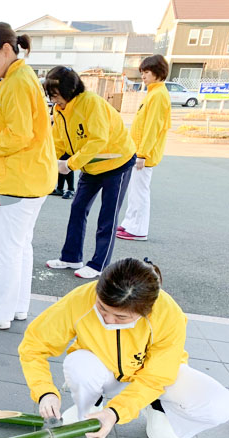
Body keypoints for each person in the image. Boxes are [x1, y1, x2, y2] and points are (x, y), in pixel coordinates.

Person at [19, 258, 229, 438]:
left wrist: (116, 412)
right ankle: (90, 404)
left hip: (156, 382)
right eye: (102, 308)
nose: (108, 320)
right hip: (106, 371)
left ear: (146, 311)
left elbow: (156, 377)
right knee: (78, 363)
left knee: (220, 405)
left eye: (121, 317)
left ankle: (159, 408)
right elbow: (34, 345)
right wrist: (44, 391)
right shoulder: (81, 298)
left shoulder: (168, 313)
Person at [0, 22, 57, 330]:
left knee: (7, 251)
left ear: (6, 50)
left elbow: (17, 134)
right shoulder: (21, 77)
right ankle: (17, 306)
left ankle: (0, 312)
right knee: (20, 247)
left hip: (18, 180)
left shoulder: (16, 83)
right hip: (32, 178)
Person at [44, 66, 136, 279]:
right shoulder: (60, 110)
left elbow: (98, 140)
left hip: (117, 161)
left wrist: (70, 164)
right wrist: (48, 161)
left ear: (69, 90)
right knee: (78, 207)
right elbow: (58, 141)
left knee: (107, 216)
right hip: (91, 164)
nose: (53, 99)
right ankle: (71, 257)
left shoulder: (91, 103)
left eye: (55, 94)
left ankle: (99, 264)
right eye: (51, 95)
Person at [117, 55, 171, 241]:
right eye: (142, 73)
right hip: (139, 152)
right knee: (135, 190)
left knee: (139, 191)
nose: (143, 76)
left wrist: (142, 154)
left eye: (146, 72)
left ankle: (138, 229)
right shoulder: (153, 93)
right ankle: (130, 223)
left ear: (157, 73)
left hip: (143, 155)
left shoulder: (158, 95)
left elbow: (152, 128)